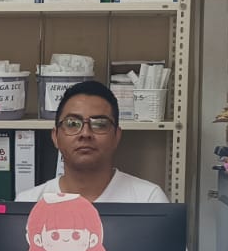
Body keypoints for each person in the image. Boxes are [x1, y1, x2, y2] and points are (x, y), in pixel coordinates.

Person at [17, 79, 170, 204]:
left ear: (117, 136)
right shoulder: (28, 202)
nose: (85, 133)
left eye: (100, 124)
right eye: (72, 123)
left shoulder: (148, 200)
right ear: (55, 136)